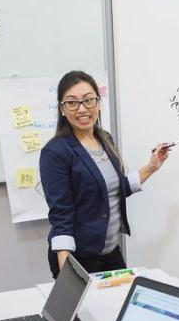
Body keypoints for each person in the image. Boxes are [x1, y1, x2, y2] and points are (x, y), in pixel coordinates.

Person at [40, 70, 172, 278]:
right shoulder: (56, 152)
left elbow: (111, 190)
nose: (82, 109)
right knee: (85, 310)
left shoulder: (105, 139)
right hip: (78, 258)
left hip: (110, 252)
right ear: (62, 109)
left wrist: (152, 166)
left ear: (98, 103)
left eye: (89, 100)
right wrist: (67, 275)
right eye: (72, 102)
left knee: (119, 305)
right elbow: (61, 216)